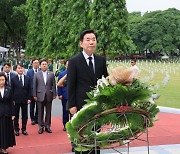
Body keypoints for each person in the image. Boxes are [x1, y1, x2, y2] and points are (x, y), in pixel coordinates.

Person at [67, 29, 108, 154]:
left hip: (97, 106)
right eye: (88, 40)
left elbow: (105, 81)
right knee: (82, 138)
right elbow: (71, 84)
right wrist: (72, 105)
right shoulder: (74, 61)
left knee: (95, 137)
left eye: (94, 39)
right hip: (80, 106)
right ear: (81, 43)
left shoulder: (101, 60)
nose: (91, 42)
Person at [33, 59, 56, 134]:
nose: (44, 65)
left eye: (45, 64)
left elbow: (53, 85)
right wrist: (34, 95)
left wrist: (54, 94)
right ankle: (40, 127)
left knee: (48, 112)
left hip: (49, 95)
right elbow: (35, 85)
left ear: (47, 65)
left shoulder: (51, 74)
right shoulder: (37, 74)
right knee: (40, 112)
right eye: (43, 64)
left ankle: (47, 126)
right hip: (40, 95)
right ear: (40, 65)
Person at [11, 63, 31, 136]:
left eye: (22, 68)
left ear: (23, 69)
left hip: (25, 99)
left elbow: (29, 89)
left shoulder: (27, 78)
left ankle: (24, 129)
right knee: (16, 115)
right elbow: (12, 90)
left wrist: (29, 98)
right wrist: (12, 99)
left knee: (24, 115)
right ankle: (16, 129)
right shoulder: (13, 79)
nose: (20, 69)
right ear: (16, 69)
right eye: (19, 68)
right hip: (16, 100)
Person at [0, 72, 16, 154]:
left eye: (3, 80)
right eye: (0, 80)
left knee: (6, 130)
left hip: (7, 112)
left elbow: (11, 102)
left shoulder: (9, 89)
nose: (1, 82)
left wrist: (13, 114)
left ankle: (4, 147)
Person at [26, 58, 39, 125]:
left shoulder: (40, 71)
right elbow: (27, 83)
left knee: (38, 106)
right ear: (32, 64)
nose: (36, 64)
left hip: (39, 91)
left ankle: (37, 118)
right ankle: (32, 119)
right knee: (32, 106)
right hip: (31, 91)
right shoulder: (29, 72)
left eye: (37, 62)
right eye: (35, 63)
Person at [57, 60, 69, 131]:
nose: (68, 65)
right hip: (64, 94)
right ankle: (65, 124)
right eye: (67, 64)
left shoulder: (75, 73)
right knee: (65, 110)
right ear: (65, 65)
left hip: (72, 96)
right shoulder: (62, 74)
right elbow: (59, 85)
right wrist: (60, 94)